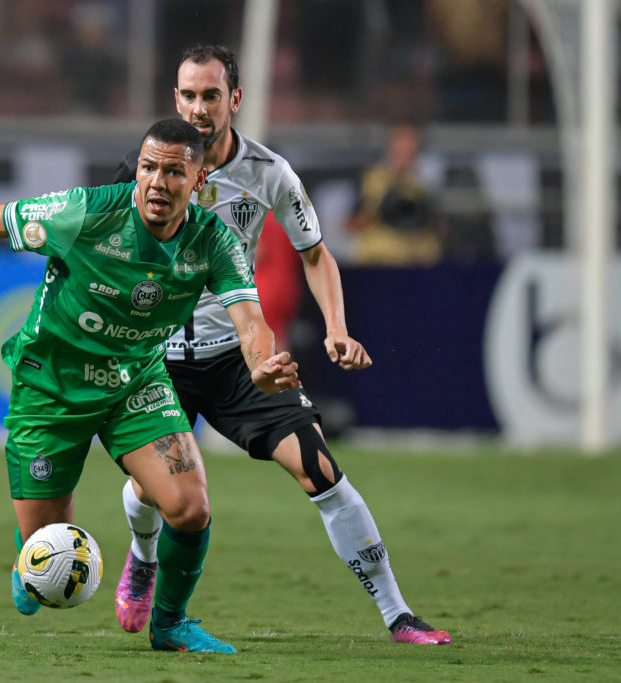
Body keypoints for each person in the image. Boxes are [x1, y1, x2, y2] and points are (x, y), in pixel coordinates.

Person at [0, 118, 300, 654]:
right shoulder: (87, 213)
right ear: (136, 169)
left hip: (134, 383)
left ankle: (170, 624)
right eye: (148, 168)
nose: (158, 183)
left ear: (199, 177)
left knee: (190, 506)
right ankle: (28, 545)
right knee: (47, 556)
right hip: (50, 389)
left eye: (174, 172)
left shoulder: (214, 241)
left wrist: (259, 364)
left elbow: (250, 321)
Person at [110, 45, 452, 646]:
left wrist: (337, 328)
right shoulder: (147, 168)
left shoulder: (268, 172)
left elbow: (315, 253)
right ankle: (143, 557)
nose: (197, 108)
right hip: (157, 363)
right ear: (175, 99)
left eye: (210, 96)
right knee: (152, 491)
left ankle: (398, 613)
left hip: (242, 359)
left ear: (234, 101)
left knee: (319, 468)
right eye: (188, 95)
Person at [346, 122, 444, 265]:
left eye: (411, 146)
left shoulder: (426, 182)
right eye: (401, 144)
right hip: (379, 258)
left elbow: (437, 226)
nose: (406, 149)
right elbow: (352, 222)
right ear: (391, 147)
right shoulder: (372, 179)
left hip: (418, 258)